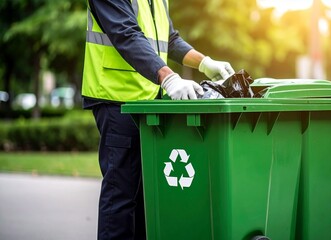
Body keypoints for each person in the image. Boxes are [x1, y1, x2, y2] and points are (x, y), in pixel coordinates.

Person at [81, 0, 235, 239]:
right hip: (116, 98)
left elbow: (170, 39)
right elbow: (125, 33)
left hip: (147, 102)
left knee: (146, 198)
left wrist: (204, 63)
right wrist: (169, 77)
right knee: (121, 194)